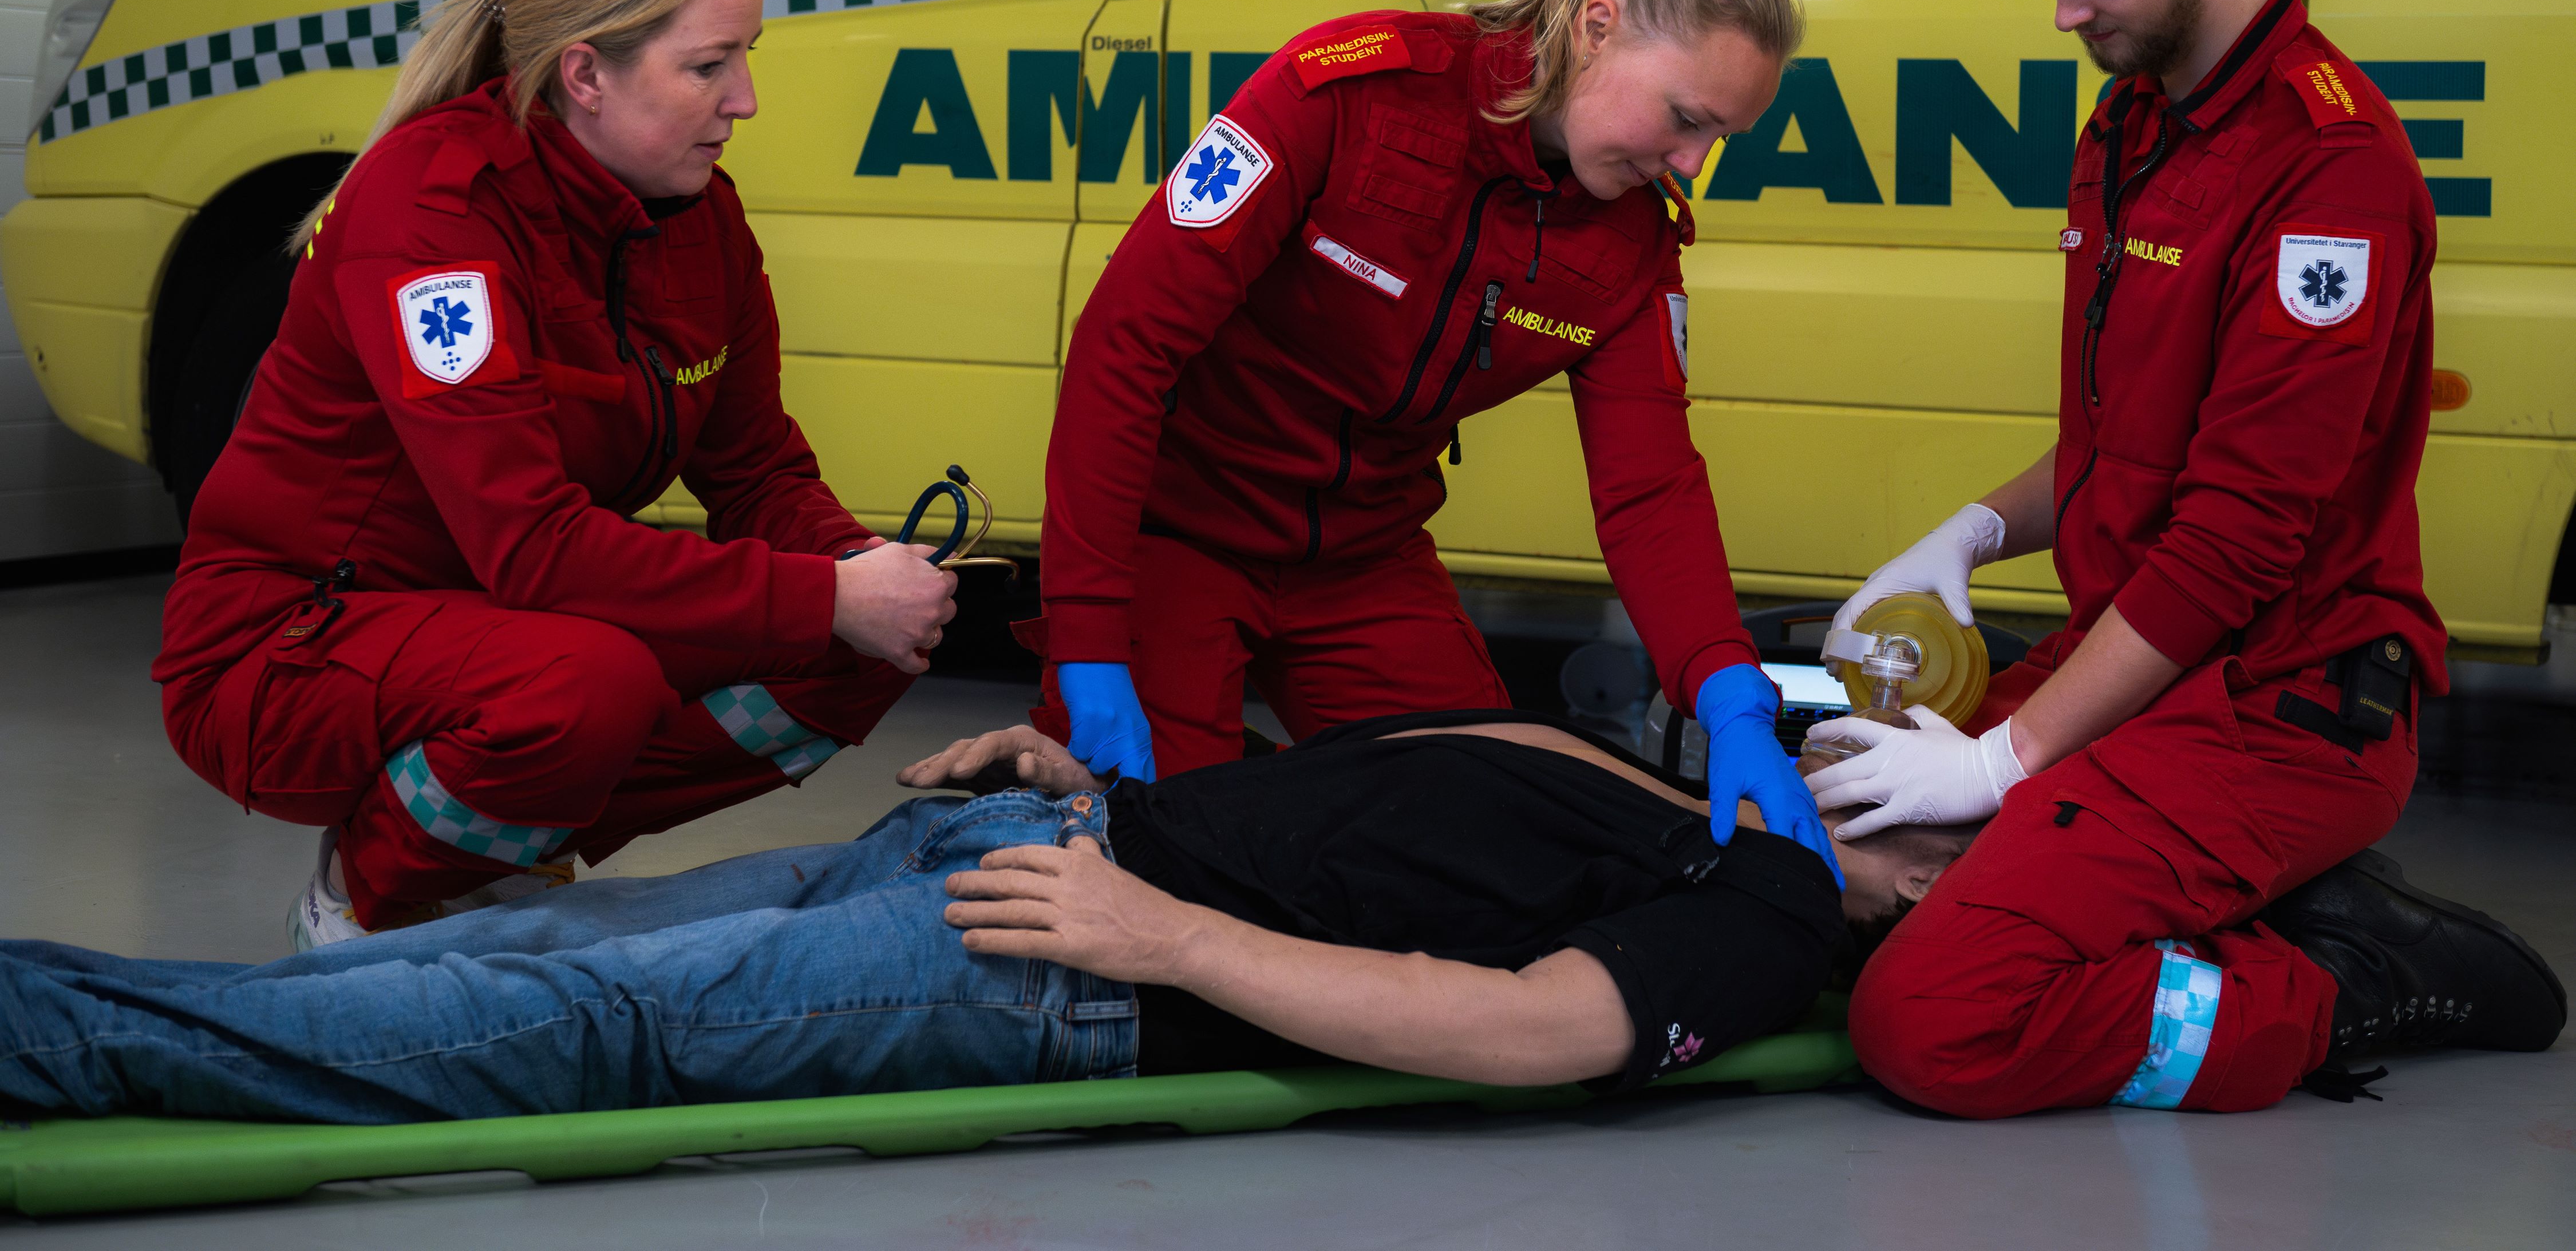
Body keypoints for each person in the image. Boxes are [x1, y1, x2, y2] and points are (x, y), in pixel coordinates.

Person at [1805, 0, 2566, 1115]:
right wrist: (1969, 534)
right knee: (1834, 815)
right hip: (2156, 674)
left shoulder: (2331, 172)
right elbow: (2125, 443)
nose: (2063, 11)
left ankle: (2336, 982)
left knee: (1933, 1021)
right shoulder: (2136, 116)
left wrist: (1998, 763)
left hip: (2281, 711)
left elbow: (2237, 535)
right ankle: (2162, 908)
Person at [153, 0, 958, 952]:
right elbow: (531, 547)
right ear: (585, 73)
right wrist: (825, 595)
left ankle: (499, 849)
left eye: (747, 57)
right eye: (710, 65)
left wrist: (863, 574)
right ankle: (366, 897)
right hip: (287, 651)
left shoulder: (698, 216)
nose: (746, 100)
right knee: (590, 684)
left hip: (499, 632)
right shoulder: (432, 215)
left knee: (857, 644)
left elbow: (756, 467)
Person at [0, 711, 1966, 1124]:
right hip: (1028, 850)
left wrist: (1164, 937)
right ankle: (84, 1012)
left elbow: (1546, 1028)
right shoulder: (1680, 785)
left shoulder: (1770, 902)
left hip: (1059, 964)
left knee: (582, 1031)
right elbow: (1372, 818)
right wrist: (1096, 784)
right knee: (532, 955)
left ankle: (44, 1039)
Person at [1033, 0, 1834, 868]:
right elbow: (1124, 347)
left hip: (1363, 560)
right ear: (1596, 26)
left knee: (1489, 838)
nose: (1692, 165)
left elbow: (1650, 488)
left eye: (1722, 137)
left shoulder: (1635, 241)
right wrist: (1091, 640)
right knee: (1168, 853)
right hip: (1177, 539)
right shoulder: (1351, 91)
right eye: (1686, 119)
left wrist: (1728, 693)